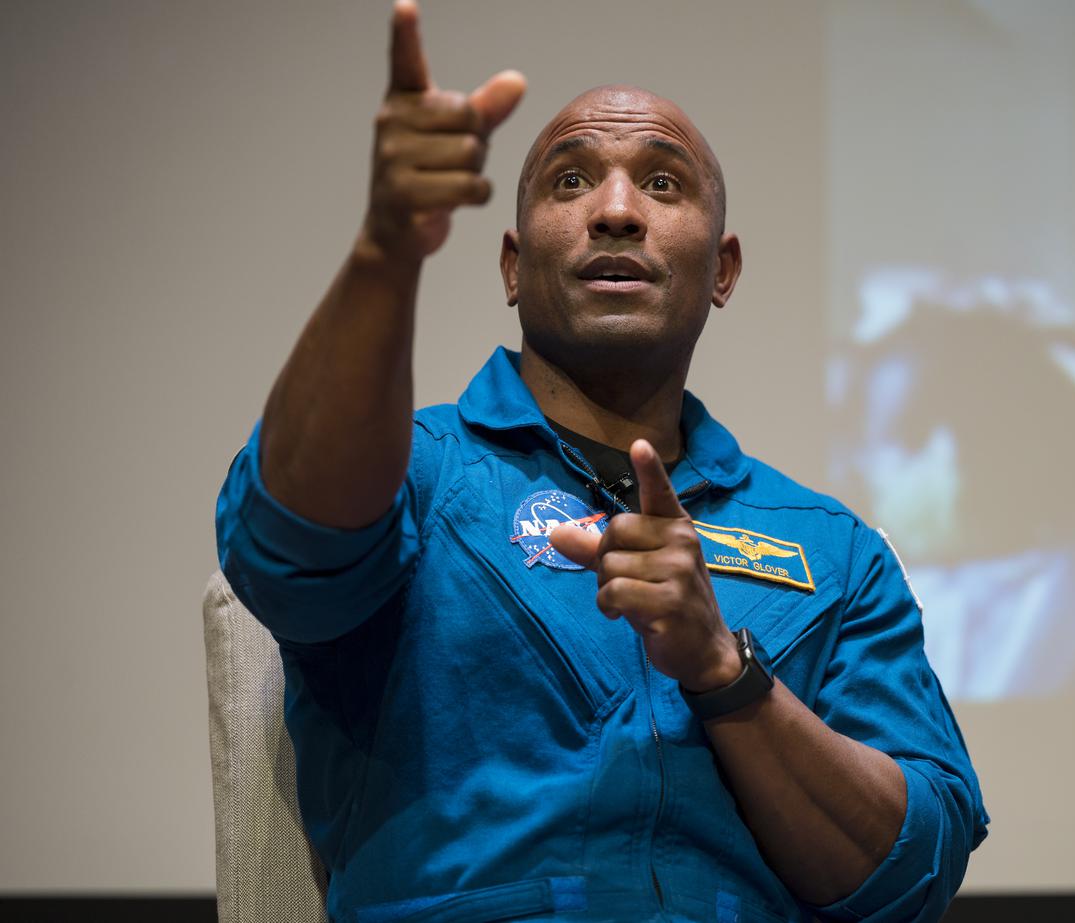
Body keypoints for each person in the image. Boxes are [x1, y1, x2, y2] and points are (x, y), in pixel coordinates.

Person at [215, 2, 988, 920]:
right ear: (511, 266)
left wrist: (723, 672)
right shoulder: (414, 473)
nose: (616, 211)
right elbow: (288, 549)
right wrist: (387, 248)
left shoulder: (834, 551)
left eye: (663, 185)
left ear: (723, 270)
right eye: (571, 181)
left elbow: (911, 870)